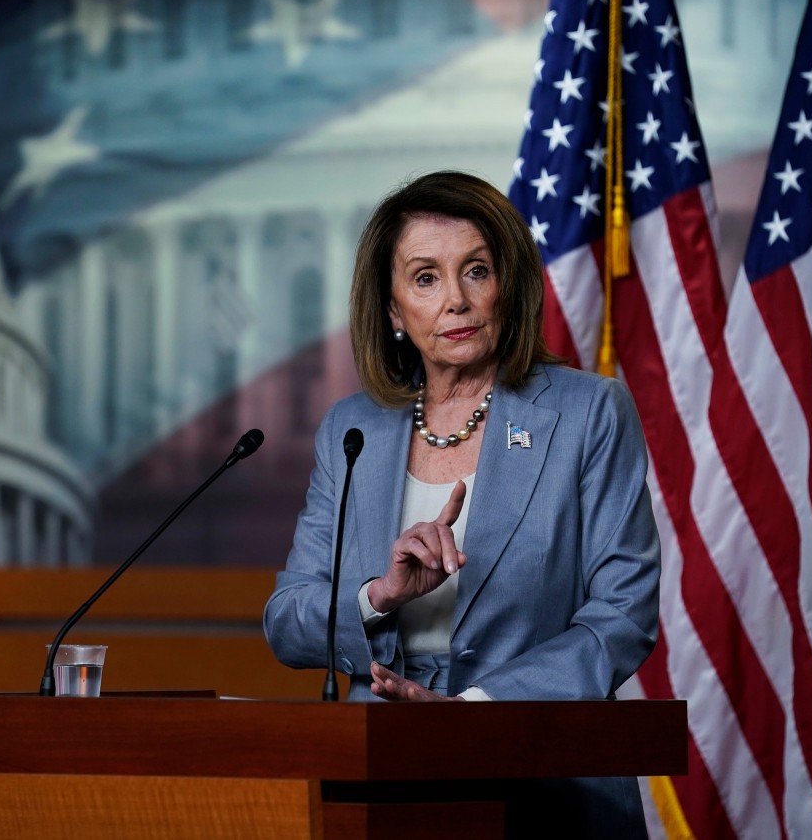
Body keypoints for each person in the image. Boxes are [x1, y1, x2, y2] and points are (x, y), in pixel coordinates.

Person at [262, 170, 661, 837]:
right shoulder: (350, 429)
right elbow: (287, 621)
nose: (455, 300)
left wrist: (472, 710)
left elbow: (621, 618)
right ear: (392, 310)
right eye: (425, 278)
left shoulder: (590, 413)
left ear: (508, 286)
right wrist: (380, 595)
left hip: (546, 785)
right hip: (378, 786)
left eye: (476, 270)